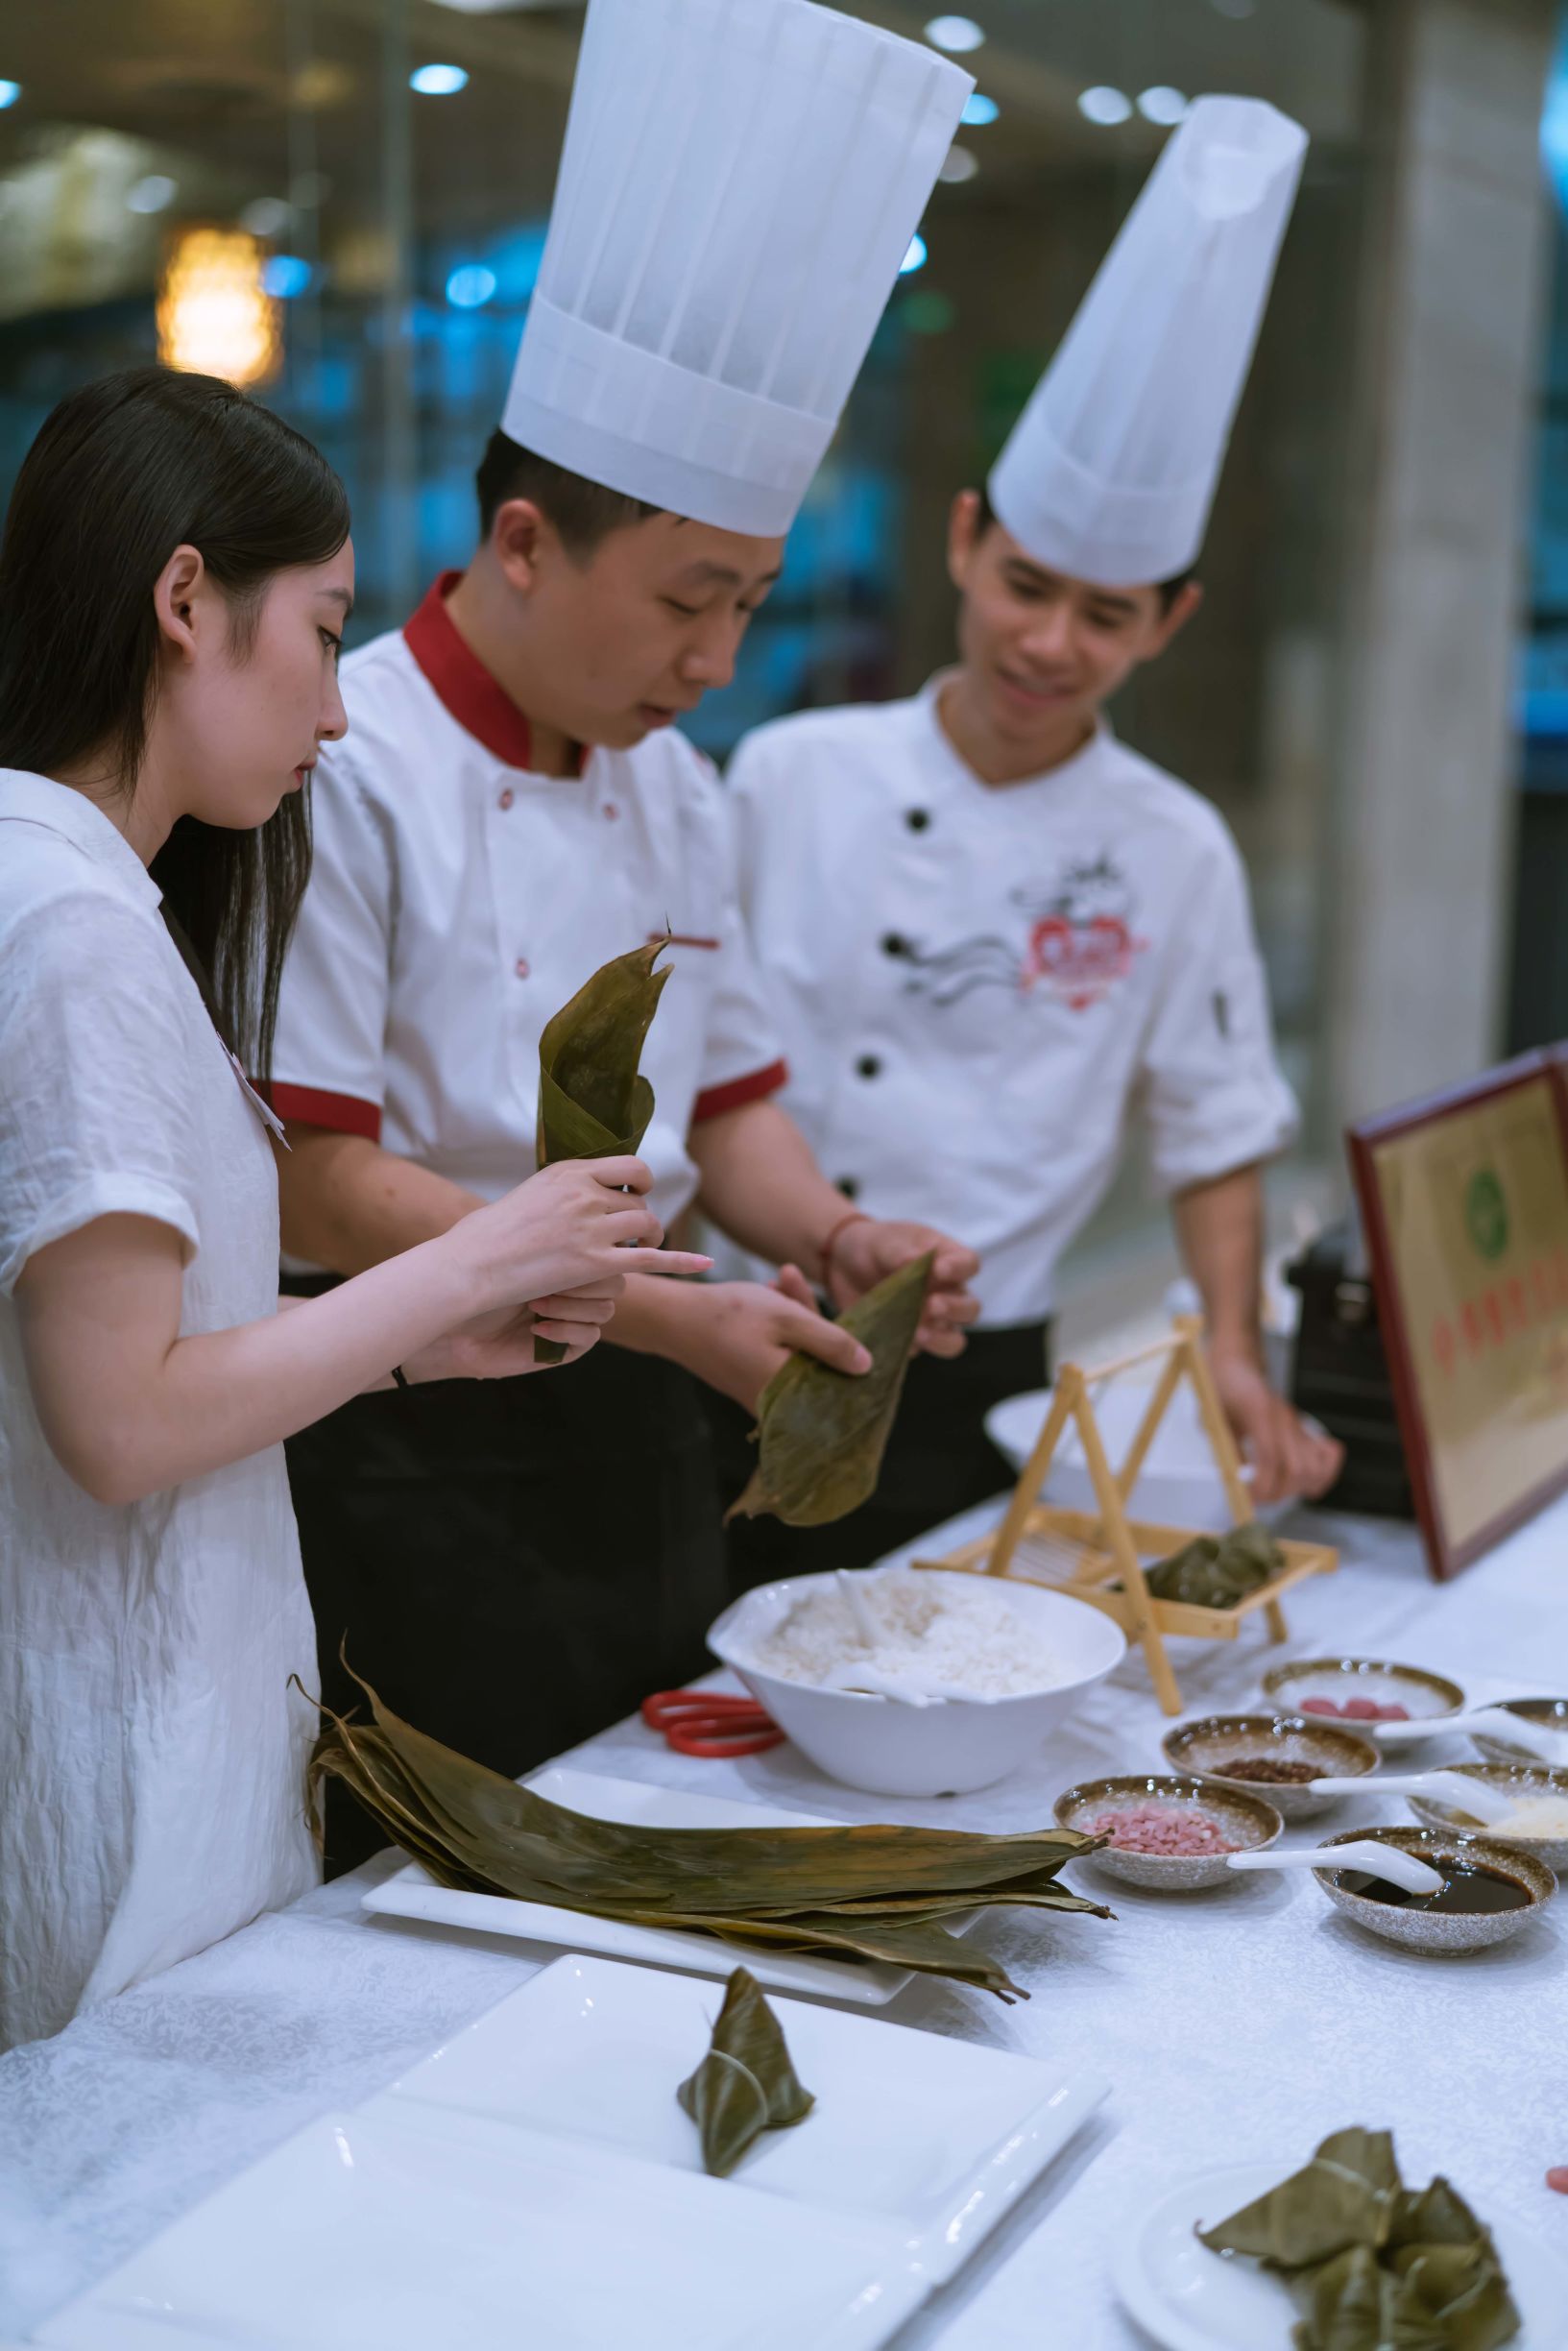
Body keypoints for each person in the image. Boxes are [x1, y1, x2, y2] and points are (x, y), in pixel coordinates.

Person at [268, 0, 981, 1874]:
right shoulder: (345, 766)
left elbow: (724, 1108)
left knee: (659, 1871)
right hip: (415, 1448)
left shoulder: (677, 785)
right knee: (437, 1921)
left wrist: (834, 1235)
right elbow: (318, 1191)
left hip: (654, 1446)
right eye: (687, 600)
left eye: (748, 601)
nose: (719, 662)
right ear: (520, 543)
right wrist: (672, 1313)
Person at [0, 367, 709, 2050]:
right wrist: (481, 1247)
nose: (334, 711)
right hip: (119, 1724)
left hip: (150, 1686)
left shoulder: (78, 888)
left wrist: (414, 1340)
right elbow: (117, 1423)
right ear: (186, 600)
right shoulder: (70, 922)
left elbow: (165, 1360)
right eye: (321, 635)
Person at [712, 96, 1345, 1589]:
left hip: (976, 1363)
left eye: (1105, 615)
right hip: (736, 1327)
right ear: (961, 541)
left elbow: (1213, 1129)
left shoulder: (1173, 847)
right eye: (1024, 585)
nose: (1048, 643)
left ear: (1167, 624)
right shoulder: (785, 775)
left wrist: (1237, 1361)